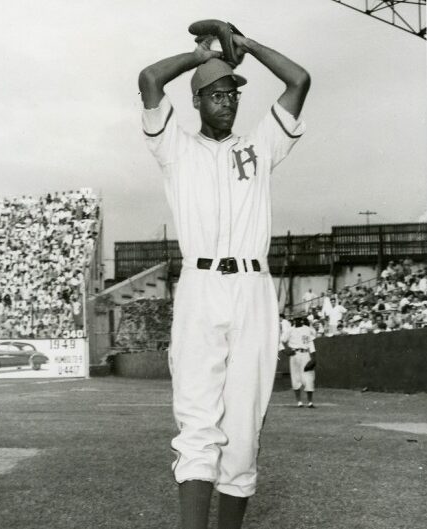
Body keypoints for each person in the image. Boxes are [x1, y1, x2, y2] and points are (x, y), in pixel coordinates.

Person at [139, 27, 310, 529]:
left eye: (233, 94)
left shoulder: (260, 144)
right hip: (201, 285)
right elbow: (149, 79)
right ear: (196, 101)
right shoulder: (174, 147)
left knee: (244, 429)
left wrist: (248, 46)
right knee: (198, 423)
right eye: (216, 94)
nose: (227, 103)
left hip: (254, 289)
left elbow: (299, 81)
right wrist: (198, 57)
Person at [284, 317, 317, 408]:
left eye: (300, 319)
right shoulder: (290, 330)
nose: (298, 320)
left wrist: (313, 358)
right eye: (296, 319)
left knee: (309, 377)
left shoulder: (307, 329)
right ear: (294, 320)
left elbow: (311, 343)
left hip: (305, 353)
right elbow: (282, 340)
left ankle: (310, 402)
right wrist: (286, 351)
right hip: (294, 354)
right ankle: (299, 401)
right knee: (295, 378)